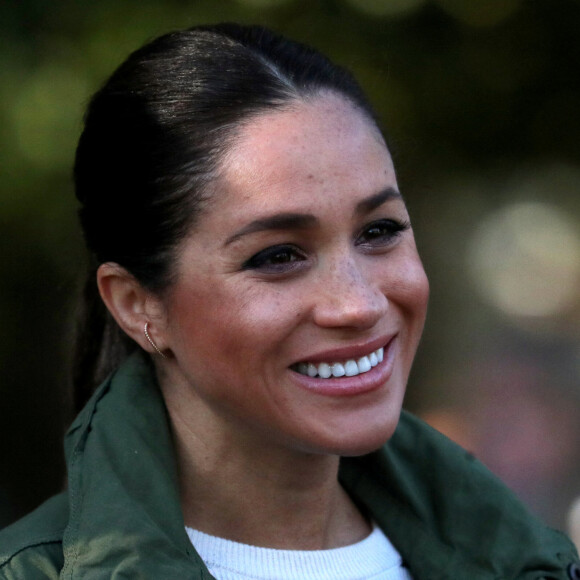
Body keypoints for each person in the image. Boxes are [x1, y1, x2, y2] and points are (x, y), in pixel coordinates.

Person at [0, 23, 578, 580]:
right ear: (136, 305)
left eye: (379, 231)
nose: (357, 305)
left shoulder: (529, 559)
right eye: (278, 256)